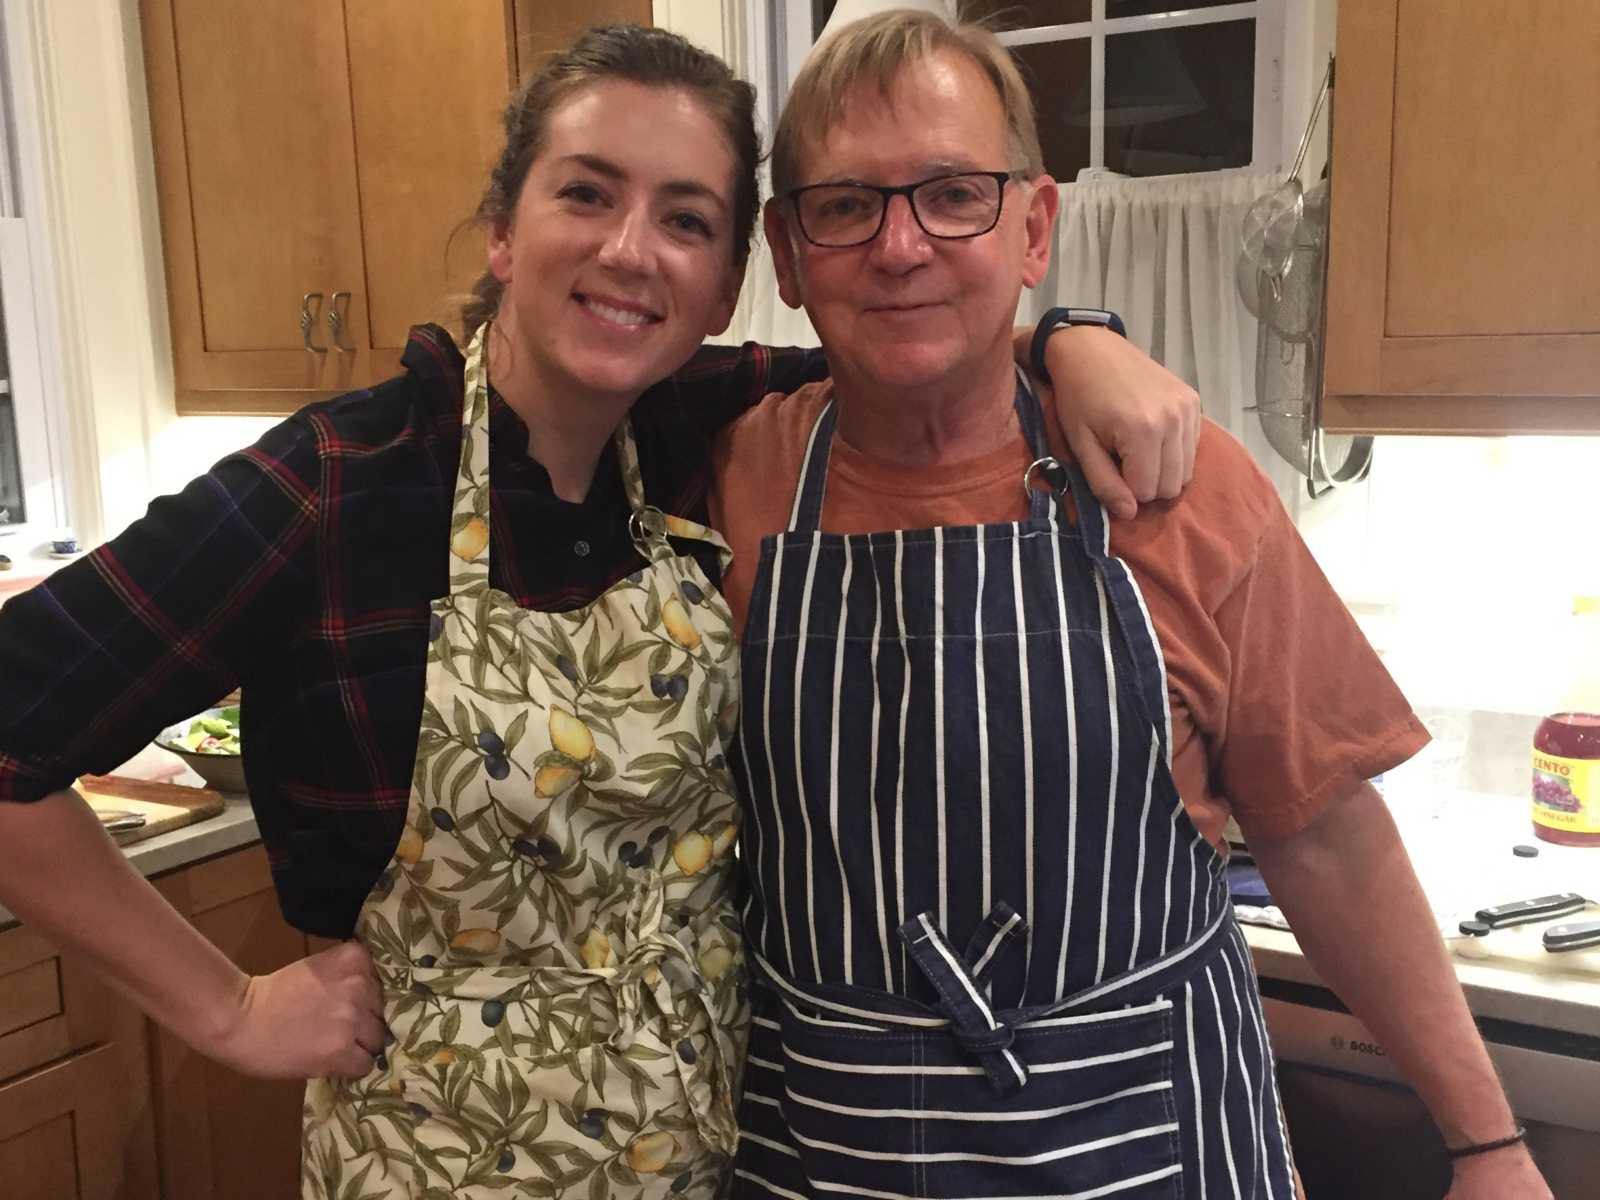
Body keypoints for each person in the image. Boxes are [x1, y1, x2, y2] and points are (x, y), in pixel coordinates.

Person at [0, 23, 1203, 1200]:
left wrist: (1071, 339)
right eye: (586, 193)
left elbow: (923, 348)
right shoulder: (339, 484)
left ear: (730, 282)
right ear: (503, 232)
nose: (634, 251)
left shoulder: (699, 434)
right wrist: (230, 1008)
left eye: (686, 219)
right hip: (432, 1166)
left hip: (709, 1157)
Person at [708, 11, 1554, 1200]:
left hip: (1149, 1140)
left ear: (1035, 226)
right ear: (786, 254)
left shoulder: (1178, 480)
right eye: (845, 206)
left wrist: (1486, 1142)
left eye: (954, 194)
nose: (899, 247)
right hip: (833, 1150)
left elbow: (1322, 832)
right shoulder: (719, 474)